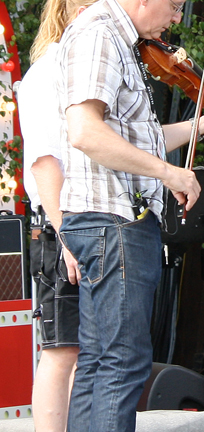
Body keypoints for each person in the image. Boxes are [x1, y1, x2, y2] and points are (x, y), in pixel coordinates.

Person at [51, 0, 204, 429]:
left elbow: (134, 138)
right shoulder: (100, 33)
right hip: (114, 221)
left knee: (102, 364)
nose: (177, 18)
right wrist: (168, 173)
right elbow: (85, 132)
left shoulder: (118, 39)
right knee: (121, 365)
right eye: (175, 6)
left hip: (110, 222)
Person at [19, 0, 97, 430]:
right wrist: (67, 236)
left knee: (81, 349)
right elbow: (44, 162)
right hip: (60, 225)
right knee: (62, 348)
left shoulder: (81, 67)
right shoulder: (48, 71)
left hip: (78, 223)